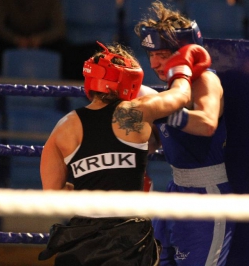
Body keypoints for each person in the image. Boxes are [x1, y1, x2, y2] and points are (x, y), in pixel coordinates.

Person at [38, 40, 211, 265]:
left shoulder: (62, 128)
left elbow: (52, 196)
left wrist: (90, 188)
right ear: (130, 80)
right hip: (129, 238)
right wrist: (181, 66)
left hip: (80, 239)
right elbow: (181, 95)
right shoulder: (137, 111)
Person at [134, 1, 235, 265]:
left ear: (185, 52)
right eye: (151, 54)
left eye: (163, 54)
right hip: (175, 188)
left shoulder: (204, 80)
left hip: (207, 195)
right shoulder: (173, 87)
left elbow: (207, 123)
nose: (155, 63)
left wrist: (159, 110)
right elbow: (162, 137)